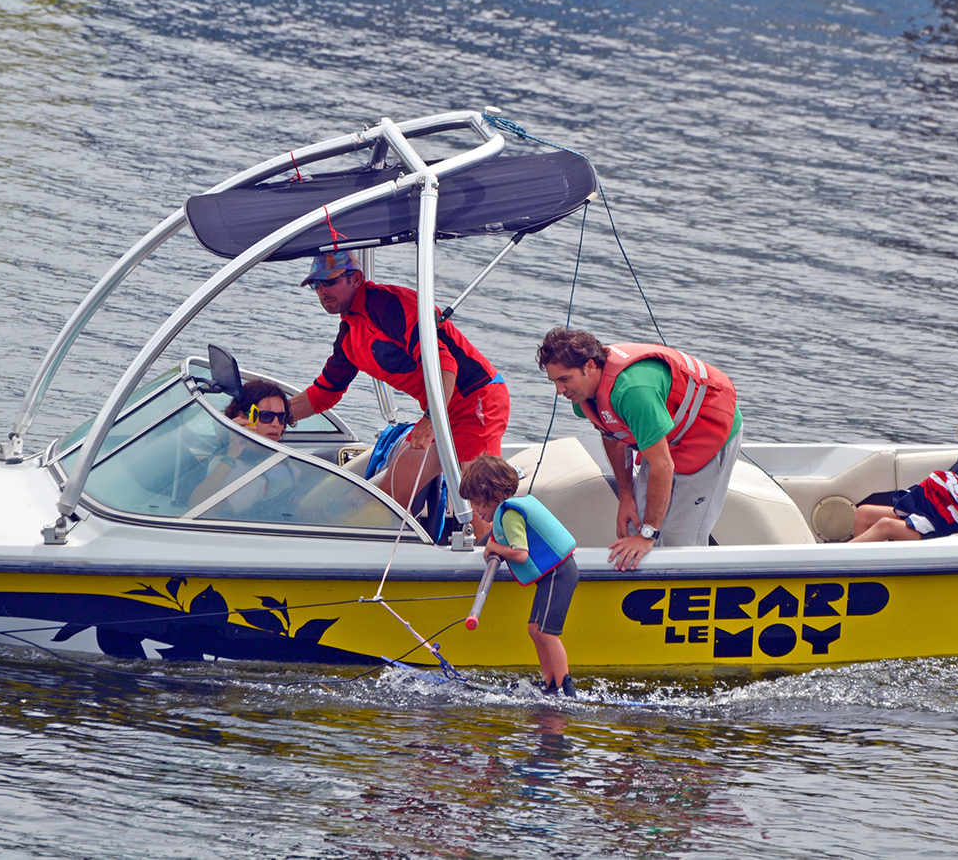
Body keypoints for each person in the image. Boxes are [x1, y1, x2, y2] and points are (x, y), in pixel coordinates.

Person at [286, 251, 510, 538]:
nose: (322, 291)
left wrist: (430, 420)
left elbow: (445, 364)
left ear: (356, 279)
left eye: (329, 282)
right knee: (395, 486)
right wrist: (269, 415)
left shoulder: (389, 306)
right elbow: (322, 394)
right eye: (316, 285)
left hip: (477, 400)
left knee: (480, 499)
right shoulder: (350, 334)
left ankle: (496, 556)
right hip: (441, 411)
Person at [535, 327, 742, 571]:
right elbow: (613, 435)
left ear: (590, 366)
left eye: (564, 379)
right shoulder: (582, 393)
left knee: (678, 541)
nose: (559, 390)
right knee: (634, 529)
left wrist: (648, 535)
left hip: (709, 431)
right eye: (554, 382)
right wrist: (626, 497)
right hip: (664, 432)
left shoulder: (632, 392)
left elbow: (662, 466)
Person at [459, 454, 578, 698]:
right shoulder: (506, 511)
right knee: (534, 629)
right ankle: (549, 681)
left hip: (559, 573)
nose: (477, 511)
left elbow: (521, 554)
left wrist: (494, 548)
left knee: (547, 632)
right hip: (552, 574)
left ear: (495, 495)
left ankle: (564, 687)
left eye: (479, 504)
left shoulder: (510, 514)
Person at [851, 395, 958, 542]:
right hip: (941, 514)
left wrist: (945, 483)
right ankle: (860, 566)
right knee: (863, 513)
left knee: (885, 525)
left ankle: (841, 561)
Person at [189, 379, 293, 508]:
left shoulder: (274, 456)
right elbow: (198, 505)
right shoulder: (233, 466)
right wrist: (232, 454)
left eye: (282, 417)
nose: (276, 424)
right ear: (243, 418)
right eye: (267, 416)